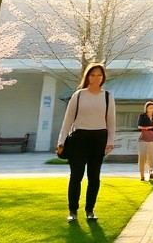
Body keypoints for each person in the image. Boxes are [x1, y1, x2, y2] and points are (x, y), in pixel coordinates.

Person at [56, 62, 116, 223]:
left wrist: (110, 141)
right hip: (79, 139)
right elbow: (68, 120)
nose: (96, 78)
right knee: (76, 176)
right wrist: (61, 142)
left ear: (103, 78)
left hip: (99, 139)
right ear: (87, 76)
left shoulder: (107, 96)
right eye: (92, 74)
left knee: (94, 177)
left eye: (99, 75)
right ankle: (72, 210)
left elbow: (111, 121)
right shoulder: (79, 95)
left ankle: (90, 210)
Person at [136, 101, 153, 181]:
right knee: (142, 157)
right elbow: (140, 126)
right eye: (150, 107)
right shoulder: (142, 116)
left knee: (151, 157)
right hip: (143, 139)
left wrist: (149, 128)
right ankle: (142, 175)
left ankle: (151, 172)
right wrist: (151, 127)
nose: (151, 109)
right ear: (146, 108)